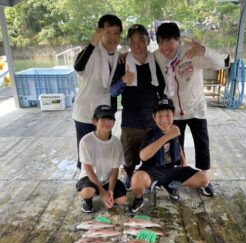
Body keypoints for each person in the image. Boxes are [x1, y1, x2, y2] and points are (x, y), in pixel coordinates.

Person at [154, 22, 224, 196]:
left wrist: (204, 50)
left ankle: (204, 179)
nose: (165, 47)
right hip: (175, 112)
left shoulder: (192, 53)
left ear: (178, 40)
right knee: (176, 146)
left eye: (169, 41)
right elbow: (142, 57)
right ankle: (176, 178)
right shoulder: (158, 55)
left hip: (196, 109)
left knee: (202, 145)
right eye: (161, 42)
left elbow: (221, 63)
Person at [129, 98, 209, 213]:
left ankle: (171, 185)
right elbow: (143, 156)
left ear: (173, 115)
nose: (164, 120)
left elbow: (178, 145)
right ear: (154, 117)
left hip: (172, 170)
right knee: (136, 180)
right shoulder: (150, 134)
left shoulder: (174, 129)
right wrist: (167, 136)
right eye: (160, 116)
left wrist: (184, 162)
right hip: (153, 171)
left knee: (204, 179)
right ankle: (138, 199)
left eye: (168, 115)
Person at [111, 24, 165, 190]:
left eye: (141, 40)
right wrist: (123, 81)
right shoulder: (122, 62)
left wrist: (165, 118)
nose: (137, 46)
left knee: (152, 155)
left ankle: (149, 177)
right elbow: (112, 92)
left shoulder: (155, 62)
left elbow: (162, 91)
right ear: (128, 44)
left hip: (151, 120)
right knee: (129, 157)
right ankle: (129, 175)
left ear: (148, 41)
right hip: (130, 120)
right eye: (132, 42)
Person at [73, 14, 123, 169]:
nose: (112, 37)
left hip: (104, 114)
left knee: (102, 151)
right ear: (100, 33)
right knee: (86, 153)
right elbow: (78, 67)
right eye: (108, 33)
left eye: (116, 33)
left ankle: (102, 180)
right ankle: (86, 185)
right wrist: (92, 43)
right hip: (86, 113)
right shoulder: (92, 52)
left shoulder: (118, 56)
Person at [76, 105, 127, 213]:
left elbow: (115, 170)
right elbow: (88, 169)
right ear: (94, 121)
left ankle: (108, 196)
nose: (107, 123)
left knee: (122, 200)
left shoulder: (116, 142)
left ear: (114, 122)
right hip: (90, 178)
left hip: (108, 179)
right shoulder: (86, 141)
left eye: (110, 119)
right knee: (87, 192)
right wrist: (103, 191)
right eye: (103, 119)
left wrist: (111, 190)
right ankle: (87, 200)